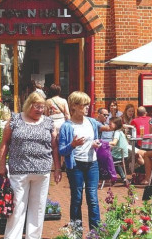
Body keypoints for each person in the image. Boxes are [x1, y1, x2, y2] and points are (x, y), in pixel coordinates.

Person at [0, 92, 60, 239]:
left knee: (38, 208)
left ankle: (34, 237)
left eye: (42, 107)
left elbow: (55, 147)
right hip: (19, 171)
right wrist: (1, 165)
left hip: (42, 172)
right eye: (37, 107)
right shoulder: (15, 120)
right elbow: (5, 143)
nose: (40, 110)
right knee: (17, 207)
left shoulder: (48, 122)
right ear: (29, 105)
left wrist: (57, 168)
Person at [57, 91, 101, 230]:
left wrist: (96, 144)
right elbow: (62, 150)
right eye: (84, 105)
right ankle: (76, 232)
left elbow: (96, 139)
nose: (88, 107)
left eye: (88, 104)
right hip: (75, 165)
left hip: (92, 164)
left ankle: (96, 232)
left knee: (93, 199)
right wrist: (73, 145)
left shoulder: (92, 122)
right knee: (77, 199)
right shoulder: (67, 126)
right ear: (74, 106)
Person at [94, 107, 118, 183]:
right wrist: (119, 126)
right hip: (97, 149)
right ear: (99, 115)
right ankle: (113, 176)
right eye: (104, 115)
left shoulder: (105, 123)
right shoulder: (97, 123)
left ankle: (114, 176)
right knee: (110, 156)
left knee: (112, 155)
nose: (106, 117)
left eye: (108, 115)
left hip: (102, 147)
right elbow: (109, 128)